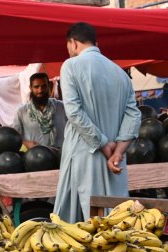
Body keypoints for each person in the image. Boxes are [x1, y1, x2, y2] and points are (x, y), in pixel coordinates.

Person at [53, 22, 141, 223]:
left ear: (73, 43)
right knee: (116, 220)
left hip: (84, 154)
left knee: (79, 224)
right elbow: (134, 116)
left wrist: (102, 144)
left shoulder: (71, 66)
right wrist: (118, 151)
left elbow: (74, 112)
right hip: (115, 162)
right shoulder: (120, 73)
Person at [12, 72, 68, 150]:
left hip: (62, 156)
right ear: (30, 88)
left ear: (49, 86)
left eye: (44, 86)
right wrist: (26, 143)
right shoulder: (21, 112)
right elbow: (14, 137)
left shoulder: (62, 107)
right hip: (35, 157)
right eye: (36, 87)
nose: (40, 90)